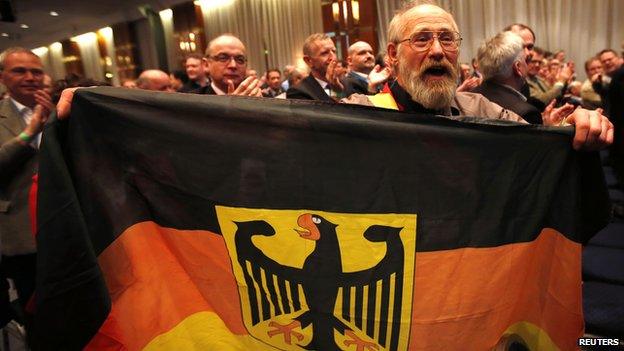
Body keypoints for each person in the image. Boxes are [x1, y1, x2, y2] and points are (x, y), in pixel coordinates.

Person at [344, 4, 612, 151]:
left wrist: (571, 125)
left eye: (447, 39)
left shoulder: (480, 108)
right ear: (393, 54)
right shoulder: (359, 113)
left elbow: (534, 140)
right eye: (422, 39)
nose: (437, 50)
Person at [0, 47, 52, 336]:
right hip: (22, 232)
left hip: (63, 222)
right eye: (20, 70)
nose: (30, 77)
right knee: (36, 310)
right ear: (3, 77)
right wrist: (29, 133)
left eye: (36, 71)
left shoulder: (59, 109)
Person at [472, 31, 573, 125]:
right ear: (518, 67)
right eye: (525, 60)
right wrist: (548, 129)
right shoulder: (526, 113)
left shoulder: (469, 97)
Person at [194, 34, 261, 97]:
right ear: (206, 65)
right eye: (223, 58)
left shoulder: (263, 99)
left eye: (240, 59)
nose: (233, 65)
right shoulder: (191, 101)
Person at [286, 33, 343, 102]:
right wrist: (336, 92)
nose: (333, 57)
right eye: (325, 53)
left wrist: (338, 90)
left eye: (334, 51)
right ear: (309, 61)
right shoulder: (298, 92)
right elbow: (333, 112)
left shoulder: (347, 84)